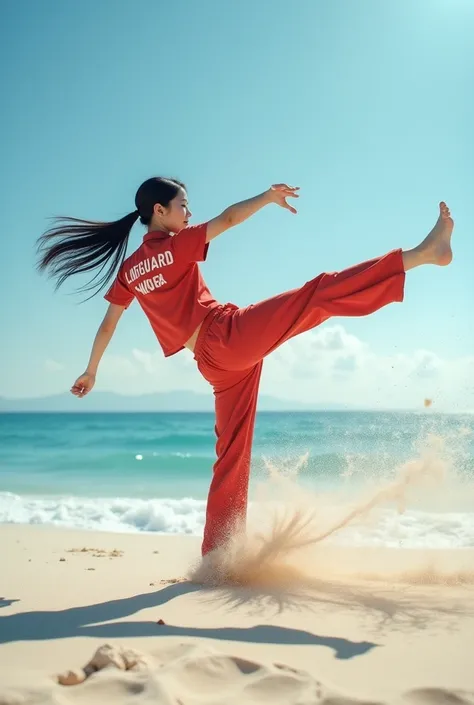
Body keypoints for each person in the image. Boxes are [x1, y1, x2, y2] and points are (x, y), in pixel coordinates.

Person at [36, 177, 454, 556]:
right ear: (159, 212)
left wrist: (91, 370)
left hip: (212, 363)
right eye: (183, 205)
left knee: (231, 456)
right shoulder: (176, 246)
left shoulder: (130, 270)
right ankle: (419, 255)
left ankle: (219, 557)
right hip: (226, 336)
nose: (189, 213)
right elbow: (230, 218)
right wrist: (268, 198)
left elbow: (109, 322)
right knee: (317, 293)